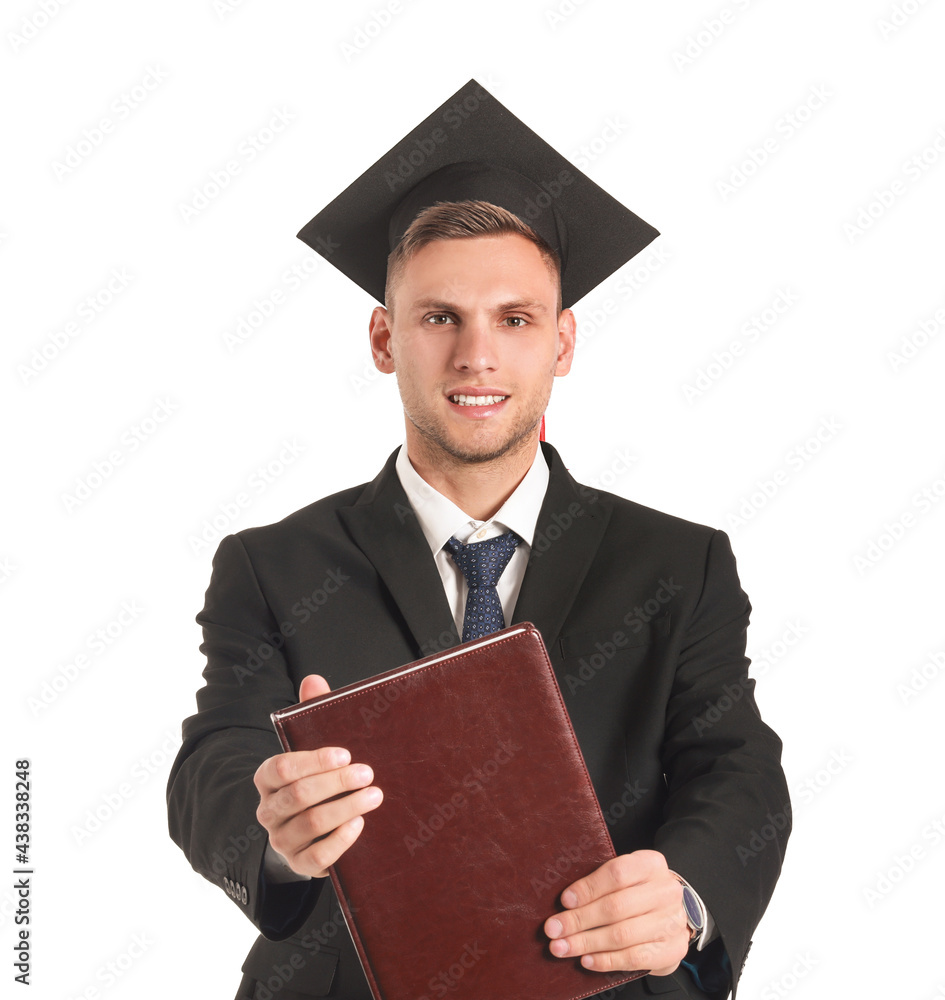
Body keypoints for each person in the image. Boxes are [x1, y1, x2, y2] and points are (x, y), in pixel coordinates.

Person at [167, 80, 790, 1000]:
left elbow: (733, 764)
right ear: (384, 338)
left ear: (562, 342)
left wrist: (686, 898)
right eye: (437, 318)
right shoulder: (274, 566)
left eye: (514, 319)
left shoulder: (676, 563)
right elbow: (214, 760)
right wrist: (274, 829)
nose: (476, 357)